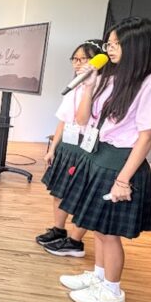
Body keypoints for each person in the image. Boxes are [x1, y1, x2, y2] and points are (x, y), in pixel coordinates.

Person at [58, 17, 151, 302]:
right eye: (109, 43)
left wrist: (123, 180)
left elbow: (146, 137)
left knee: (109, 232)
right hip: (100, 155)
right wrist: (88, 87)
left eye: (117, 43)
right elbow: (83, 120)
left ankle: (112, 291)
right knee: (97, 226)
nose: (109, 49)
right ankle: (99, 277)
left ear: (137, 45)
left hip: (121, 161)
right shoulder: (113, 79)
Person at [37, 40, 105, 257]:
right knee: (59, 191)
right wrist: (53, 148)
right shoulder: (74, 85)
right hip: (69, 144)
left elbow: (84, 119)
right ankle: (58, 230)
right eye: (74, 59)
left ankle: (75, 241)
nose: (77, 63)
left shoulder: (103, 86)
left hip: (89, 148)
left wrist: (88, 88)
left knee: (82, 198)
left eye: (83, 59)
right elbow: (64, 120)